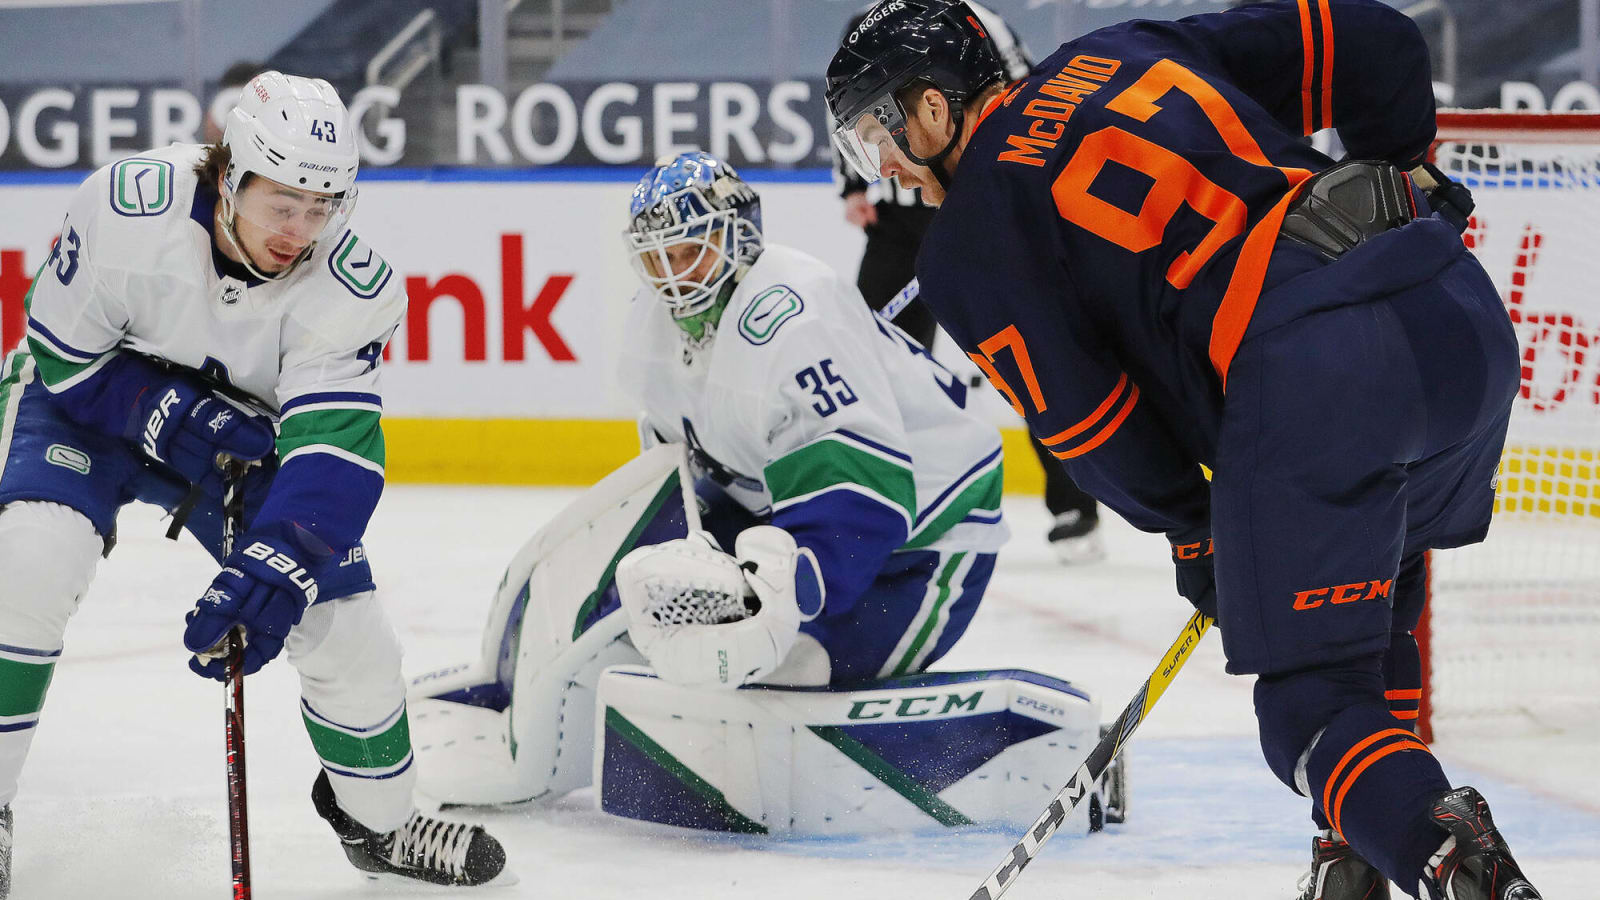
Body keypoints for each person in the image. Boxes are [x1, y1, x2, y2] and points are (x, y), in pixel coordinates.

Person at [826, 3, 1536, 900]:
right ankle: (1353, 859)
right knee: (1370, 606)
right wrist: (1404, 172)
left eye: (876, 129)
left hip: (1317, 379)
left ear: (933, 108)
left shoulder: (968, 244)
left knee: (1306, 705)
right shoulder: (1125, 50)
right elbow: (1385, 44)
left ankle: (1445, 852)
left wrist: (1195, 533)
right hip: (1455, 314)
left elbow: (1095, 427)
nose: (880, 164)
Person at [404, 152, 1121, 834]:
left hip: (925, 538)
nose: (671, 275)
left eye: (687, 251)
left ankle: (1026, 745)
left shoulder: (793, 315)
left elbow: (862, 498)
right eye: (655, 257)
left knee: (787, 669)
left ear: (736, 236)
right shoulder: (650, 326)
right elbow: (680, 486)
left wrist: (783, 602)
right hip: (784, 512)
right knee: (667, 641)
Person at [0, 72, 508, 891]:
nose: (300, 230)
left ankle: (377, 821)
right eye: (281, 204)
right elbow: (63, 357)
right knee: (26, 561)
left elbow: (335, 455)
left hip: (238, 445)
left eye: (321, 207)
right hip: (84, 413)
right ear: (230, 175)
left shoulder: (355, 285)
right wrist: (167, 408)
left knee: (345, 630)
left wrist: (282, 561)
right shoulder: (128, 204)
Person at [836, 0, 1106, 565]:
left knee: (1032, 353)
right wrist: (852, 188)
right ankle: (875, 504)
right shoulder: (870, 26)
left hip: (978, 208)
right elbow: (852, 120)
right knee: (875, 363)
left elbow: (1026, 100)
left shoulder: (977, 22)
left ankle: (1073, 505)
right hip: (897, 225)